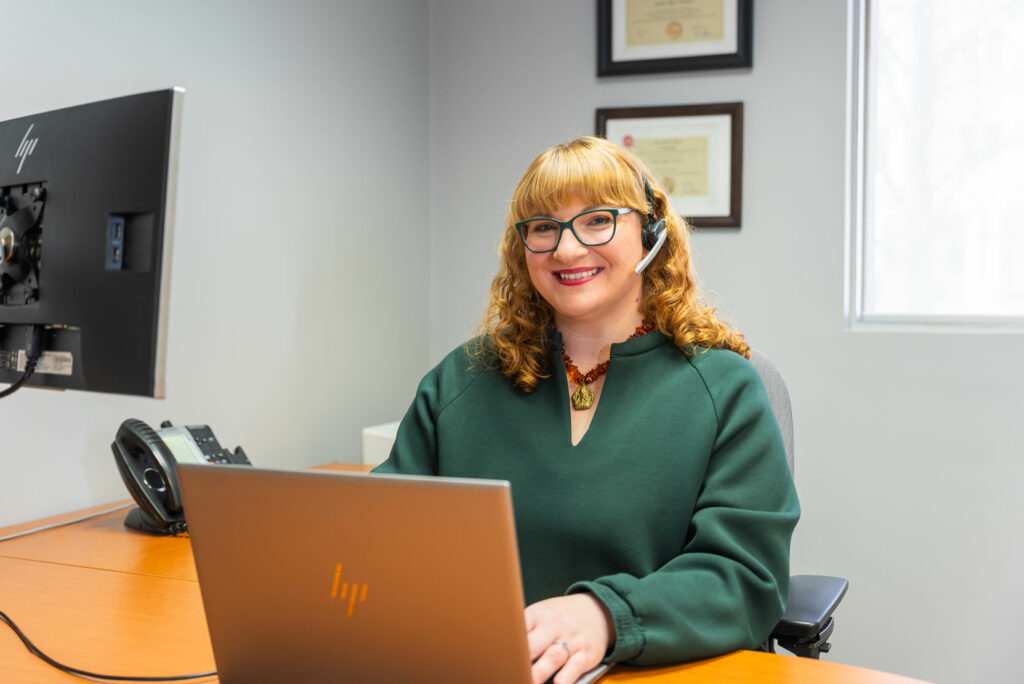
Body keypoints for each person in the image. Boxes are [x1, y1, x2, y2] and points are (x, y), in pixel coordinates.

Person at [374, 136, 799, 684]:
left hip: (652, 671)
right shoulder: (464, 377)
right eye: (544, 227)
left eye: (597, 220)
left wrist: (608, 615)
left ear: (650, 233)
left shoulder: (726, 386)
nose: (567, 249)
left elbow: (745, 579)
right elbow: (383, 534)